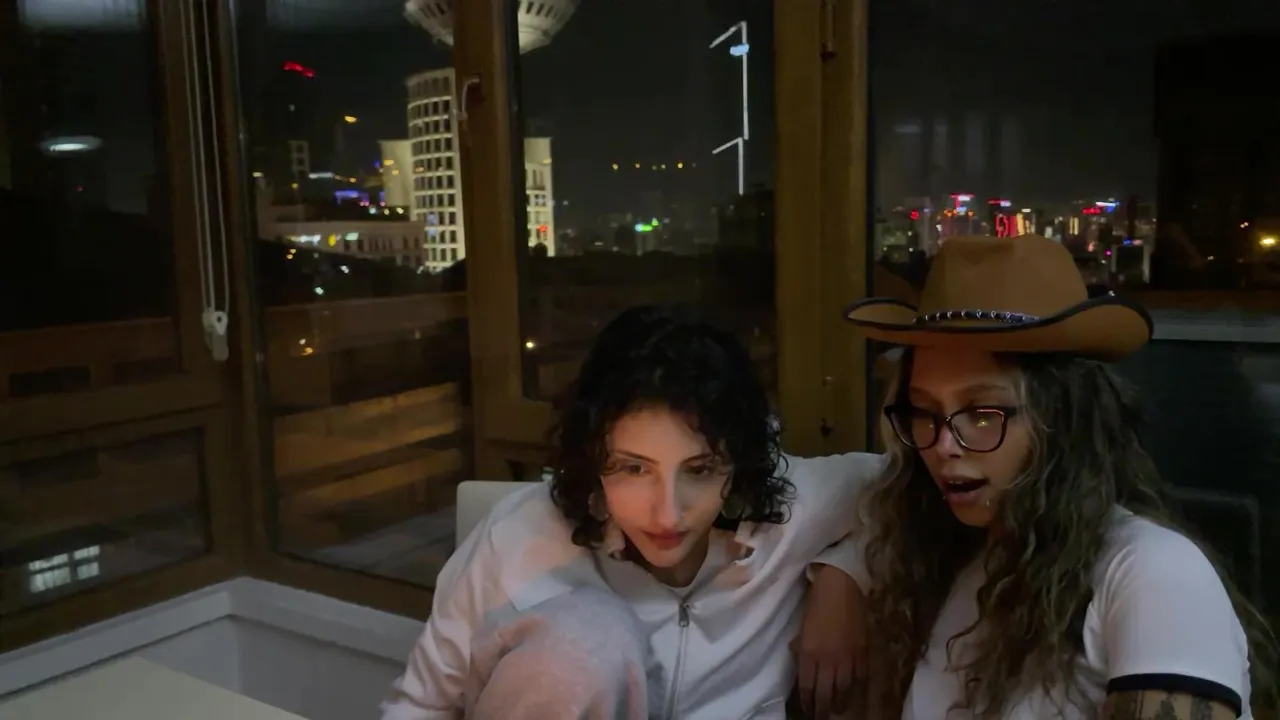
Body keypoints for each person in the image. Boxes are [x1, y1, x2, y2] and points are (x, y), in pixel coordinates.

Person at [843, 233, 1278, 719]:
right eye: (924, 412)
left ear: (1064, 420)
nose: (944, 444)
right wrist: (836, 577)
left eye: (983, 413)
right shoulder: (961, 564)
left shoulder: (1152, 574)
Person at [382, 304, 882, 720]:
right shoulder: (520, 535)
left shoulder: (790, 509)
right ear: (592, 456)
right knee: (585, 638)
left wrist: (844, 573)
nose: (668, 514)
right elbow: (420, 707)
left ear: (739, 462)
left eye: (701, 469)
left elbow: (908, 486)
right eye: (633, 468)